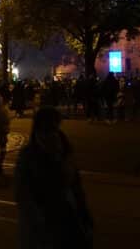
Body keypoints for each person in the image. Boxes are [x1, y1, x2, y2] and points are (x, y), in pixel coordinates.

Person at [15, 107, 92, 249]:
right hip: (44, 223)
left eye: (54, 128)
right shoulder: (29, 156)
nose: (51, 133)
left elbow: (76, 188)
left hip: (67, 217)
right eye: (48, 129)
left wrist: (84, 215)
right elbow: (24, 195)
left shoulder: (64, 149)